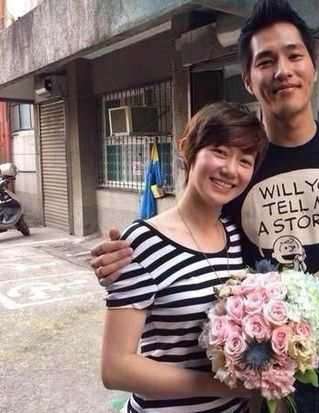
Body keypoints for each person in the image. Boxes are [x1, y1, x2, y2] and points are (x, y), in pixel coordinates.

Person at [92, 1, 319, 412]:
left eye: (294, 55)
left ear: (313, 67)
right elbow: (189, 237)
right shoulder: (240, 169)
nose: (283, 70)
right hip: (264, 383)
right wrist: (125, 257)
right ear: (248, 79)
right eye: (265, 61)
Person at [100, 102, 268, 413]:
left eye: (244, 160)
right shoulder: (142, 242)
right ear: (188, 151)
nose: (230, 169)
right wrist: (223, 386)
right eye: (219, 151)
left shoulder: (236, 236)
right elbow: (115, 368)